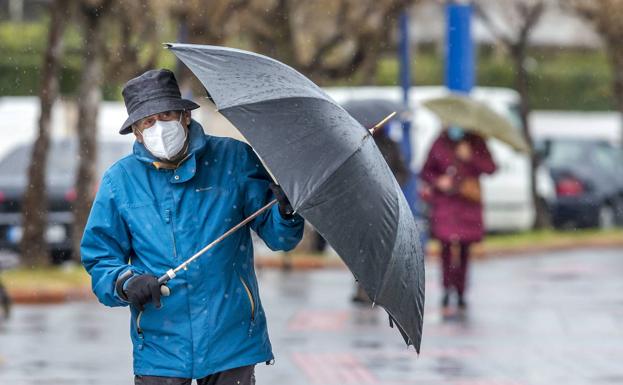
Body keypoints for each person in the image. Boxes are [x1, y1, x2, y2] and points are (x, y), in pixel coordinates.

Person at [81, 69, 304, 385]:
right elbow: (100, 258)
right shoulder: (120, 182)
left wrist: (286, 210)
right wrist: (126, 282)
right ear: (137, 132)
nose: (159, 126)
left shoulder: (234, 158)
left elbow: (280, 236)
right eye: (148, 121)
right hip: (161, 347)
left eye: (167, 114)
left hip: (232, 338)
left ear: (185, 116)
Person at [420, 127, 496, 313]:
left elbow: (491, 168)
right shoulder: (439, 142)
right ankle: (446, 289)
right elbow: (425, 171)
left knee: (464, 249)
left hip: (467, 204)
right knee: (446, 246)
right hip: (445, 203)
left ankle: (461, 291)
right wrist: (438, 181)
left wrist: (471, 157)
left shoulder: (476, 142)